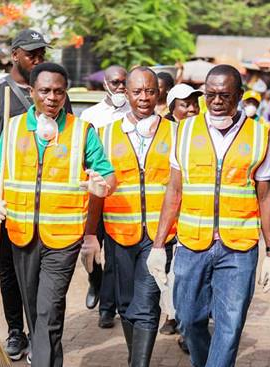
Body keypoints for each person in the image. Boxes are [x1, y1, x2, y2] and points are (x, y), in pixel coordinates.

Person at [0, 62, 116, 367]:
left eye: (58, 91)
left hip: (63, 238)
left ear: (65, 93)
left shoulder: (82, 131)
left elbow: (107, 174)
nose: (52, 97)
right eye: (44, 90)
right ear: (31, 92)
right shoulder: (14, 127)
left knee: (48, 310)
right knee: (37, 311)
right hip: (21, 234)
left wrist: (102, 187)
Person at [148, 64, 270, 367]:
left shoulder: (259, 135)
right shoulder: (184, 131)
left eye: (225, 95)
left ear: (240, 96)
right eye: (211, 95)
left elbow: (266, 195)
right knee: (189, 319)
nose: (217, 101)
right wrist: (158, 245)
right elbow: (174, 191)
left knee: (230, 325)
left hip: (238, 247)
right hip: (192, 245)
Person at [0, 28, 73, 360]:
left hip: (47, 206)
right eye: (31, 53)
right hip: (6, 201)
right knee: (8, 270)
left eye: (41, 53)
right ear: (15, 54)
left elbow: (69, 141)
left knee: (36, 281)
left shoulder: (57, 92)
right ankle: (16, 330)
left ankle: (39, 335)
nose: (37, 58)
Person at [97, 66, 176, 366]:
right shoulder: (105, 135)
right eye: (137, 91)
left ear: (160, 93)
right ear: (125, 93)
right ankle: (135, 357)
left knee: (145, 304)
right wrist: (92, 236)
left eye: (151, 91)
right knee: (126, 303)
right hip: (119, 231)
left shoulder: (176, 133)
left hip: (160, 235)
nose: (144, 97)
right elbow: (95, 186)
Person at [79, 65, 129, 328]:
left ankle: (108, 308)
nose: (120, 87)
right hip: (95, 195)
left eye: (124, 82)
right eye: (116, 82)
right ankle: (94, 282)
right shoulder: (91, 116)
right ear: (105, 84)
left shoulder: (134, 113)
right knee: (91, 248)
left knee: (113, 253)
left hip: (122, 196)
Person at [158, 83, 202, 337]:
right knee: (167, 272)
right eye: (185, 104)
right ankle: (171, 315)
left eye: (195, 104)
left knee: (185, 273)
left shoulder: (202, 132)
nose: (192, 109)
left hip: (193, 214)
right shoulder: (163, 132)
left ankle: (185, 323)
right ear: (172, 107)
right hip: (166, 214)